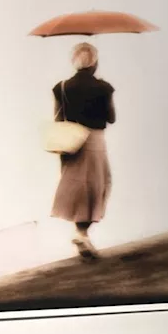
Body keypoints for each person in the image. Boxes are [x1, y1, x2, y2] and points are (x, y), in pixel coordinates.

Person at [51, 41, 116, 258]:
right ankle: (82, 233)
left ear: (74, 62)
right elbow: (111, 118)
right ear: (94, 62)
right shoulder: (103, 88)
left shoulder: (61, 87)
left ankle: (81, 234)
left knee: (76, 187)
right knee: (96, 186)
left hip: (70, 142)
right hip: (94, 140)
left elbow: (58, 118)